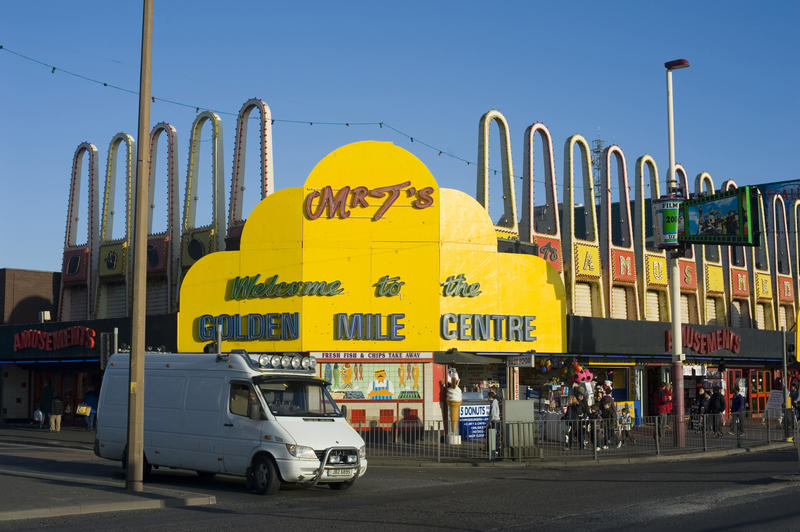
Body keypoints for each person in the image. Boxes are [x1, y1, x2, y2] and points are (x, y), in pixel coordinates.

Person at [487, 390, 501, 458]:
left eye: (488, 397)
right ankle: (496, 451)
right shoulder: (495, 401)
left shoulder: (493, 403)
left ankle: (495, 451)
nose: (487, 399)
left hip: (494, 421)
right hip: (497, 421)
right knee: (496, 436)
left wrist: (489, 422)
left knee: (495, 437)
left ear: (490, 397)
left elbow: (492, 414)